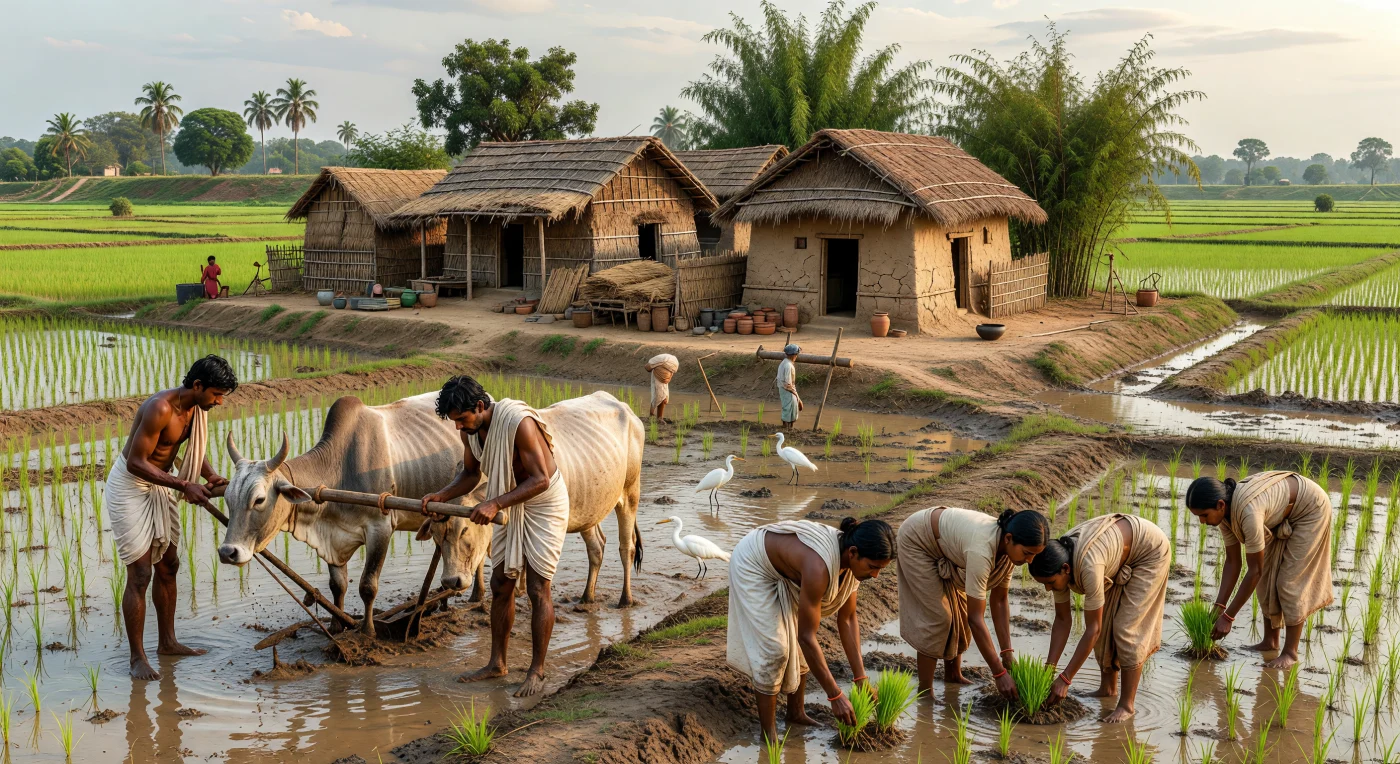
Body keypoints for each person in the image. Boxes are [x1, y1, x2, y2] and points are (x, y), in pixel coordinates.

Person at [421, 375, 571, 697]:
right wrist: (441, 496)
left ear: (479, 406)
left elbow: (541, 478)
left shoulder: (519, 424)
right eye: (454, 422)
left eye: (462, 419)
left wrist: (494, 503)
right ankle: (497, 664)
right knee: (501, 583)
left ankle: (537, 671)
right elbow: (471, 474)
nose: (459, 427)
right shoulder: (471, 433)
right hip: (509, 501)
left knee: (536, 587)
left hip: (543, 503)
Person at [107, 355, 235, 680]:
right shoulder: (160, 408)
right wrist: (184, 485)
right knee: (139, 574)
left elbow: (185, 450)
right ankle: (137, 658)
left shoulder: (195, 411)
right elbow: (137, 461)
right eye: (216, 394)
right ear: (197, 386)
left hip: (161, 483)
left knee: (169, 565)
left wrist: (211, 476)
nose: (219, 402)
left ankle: (168, 642)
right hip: (132, 485)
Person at [727, 517, 894, 745]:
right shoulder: (819, 566)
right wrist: (835, 695)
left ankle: (795, 713)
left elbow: (847, 620)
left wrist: (861, 678)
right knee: (776, 650)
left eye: (880, 570)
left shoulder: (853, 566)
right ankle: (769, 734)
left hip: (788, 568)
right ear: (853, 552)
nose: (875, 576)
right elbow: (806, 637)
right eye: (873, 567)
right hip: (754, 563)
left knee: (800, 647)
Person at [1029, 514, 1170, 723]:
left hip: (1150, 551)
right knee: (1106, 627)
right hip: (1117, 553)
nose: (1048, 588)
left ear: (1066, 569)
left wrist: (1066, 678)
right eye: (1044, 584)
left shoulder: (1088, 566)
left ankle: (1126, 705)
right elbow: (1062, 621)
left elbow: (1092, 629)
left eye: (1050, 582)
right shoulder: (1058, 561)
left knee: (1125, 629)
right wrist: (1048, 671)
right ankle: (1107, 689)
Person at [1187, 471, 1332, 670]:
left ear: (1220, 504)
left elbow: (1254, 570)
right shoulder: (1224, 515)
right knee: (1265, 582)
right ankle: (1270, 642)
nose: (1202, 522)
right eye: (1198, 517)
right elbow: (1232, 562)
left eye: (1204, 515)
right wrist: (1219, 606)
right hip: (1279, 513)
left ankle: (1290, 652)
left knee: (1289, 583)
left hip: (1310, 509)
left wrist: (1228, 618)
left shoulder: (1248, 513)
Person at [897, 507, 1048, 696]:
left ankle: (952, 675)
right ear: (1008, 539)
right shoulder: (982, 550)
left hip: (947, 544)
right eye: (1027, 553)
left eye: (1035, 554)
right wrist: (999, 673)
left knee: (958, 615)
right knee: (939, 619)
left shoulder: (1009, 553)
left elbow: (1000, 600)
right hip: (918, 540)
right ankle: (925, 692)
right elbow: (976, 618)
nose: (1031, 560)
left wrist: (1007, 653)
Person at [644, 354, 679, 420]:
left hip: (670, 365)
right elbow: (647, 368)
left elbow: (648, 368)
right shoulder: (656, 362)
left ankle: (657, 416)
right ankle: (658, 417)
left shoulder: (656, 362)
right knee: (661, 395)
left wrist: (654, 367)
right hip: (668, 366)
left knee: (662, 395)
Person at [777, 344, 802, 428]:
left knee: (789, 409)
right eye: (796, 354)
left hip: (784, 389)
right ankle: (787, 428)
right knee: (789, 409)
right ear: (794, 355)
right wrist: (798, 398)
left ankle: (788, 428)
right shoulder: (788, 365)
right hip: (787, 390)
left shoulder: (784, 362)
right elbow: (788, 384)